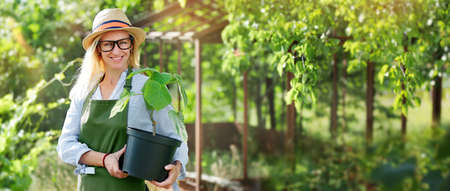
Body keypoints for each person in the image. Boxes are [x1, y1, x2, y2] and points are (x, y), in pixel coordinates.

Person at [57, 8, 188, 191]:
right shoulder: (85, 90)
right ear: (98, 50)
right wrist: (104, 159)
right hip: (89, 186)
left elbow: (175, 136)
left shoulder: (146, 87)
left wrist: (177, 166)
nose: (116, 50)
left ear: (131, 46)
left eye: (123, 43)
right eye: (108, 44)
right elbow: (65, 145)